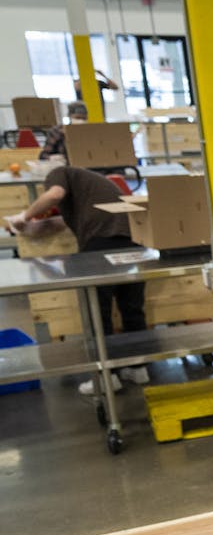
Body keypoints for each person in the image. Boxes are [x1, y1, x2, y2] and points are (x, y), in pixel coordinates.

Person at [6, 166, 150, 394]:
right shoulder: (90, 188)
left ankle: (106, 378)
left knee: (97, 310)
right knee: (131, 307)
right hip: (134, 240)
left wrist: (23, 216)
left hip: (101, 242)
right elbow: (59, 223)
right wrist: (31, 231)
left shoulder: (58, 172)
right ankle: (138, 368)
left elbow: (53, 195)